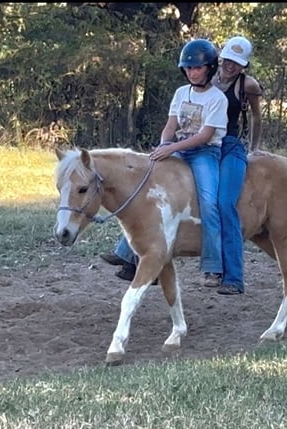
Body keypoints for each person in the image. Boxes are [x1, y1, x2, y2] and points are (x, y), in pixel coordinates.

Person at [101, 38, 228, 288]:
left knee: (209, 203)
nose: (192, 73)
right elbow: (171, 125)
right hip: (178, 148)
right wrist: (163, 145)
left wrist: (172, 148)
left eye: (197, 68)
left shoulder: (217, 99)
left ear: (210, 68)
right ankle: (126, 253)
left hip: (205, 153)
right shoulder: (181, 93)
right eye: (188, 68)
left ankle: (213, 267)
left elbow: (205, 135)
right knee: (147, 191)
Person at [211, 36, 264, 295]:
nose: (231, 66)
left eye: (237, 63)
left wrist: (254, 147)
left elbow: (256, 116)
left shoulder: (247, 85)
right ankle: (131, 257)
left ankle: (233, 276)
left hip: (231, 146)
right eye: (228, 60)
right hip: (203, 144)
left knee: (225, 203)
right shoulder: (206, 76)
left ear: (244, 66)